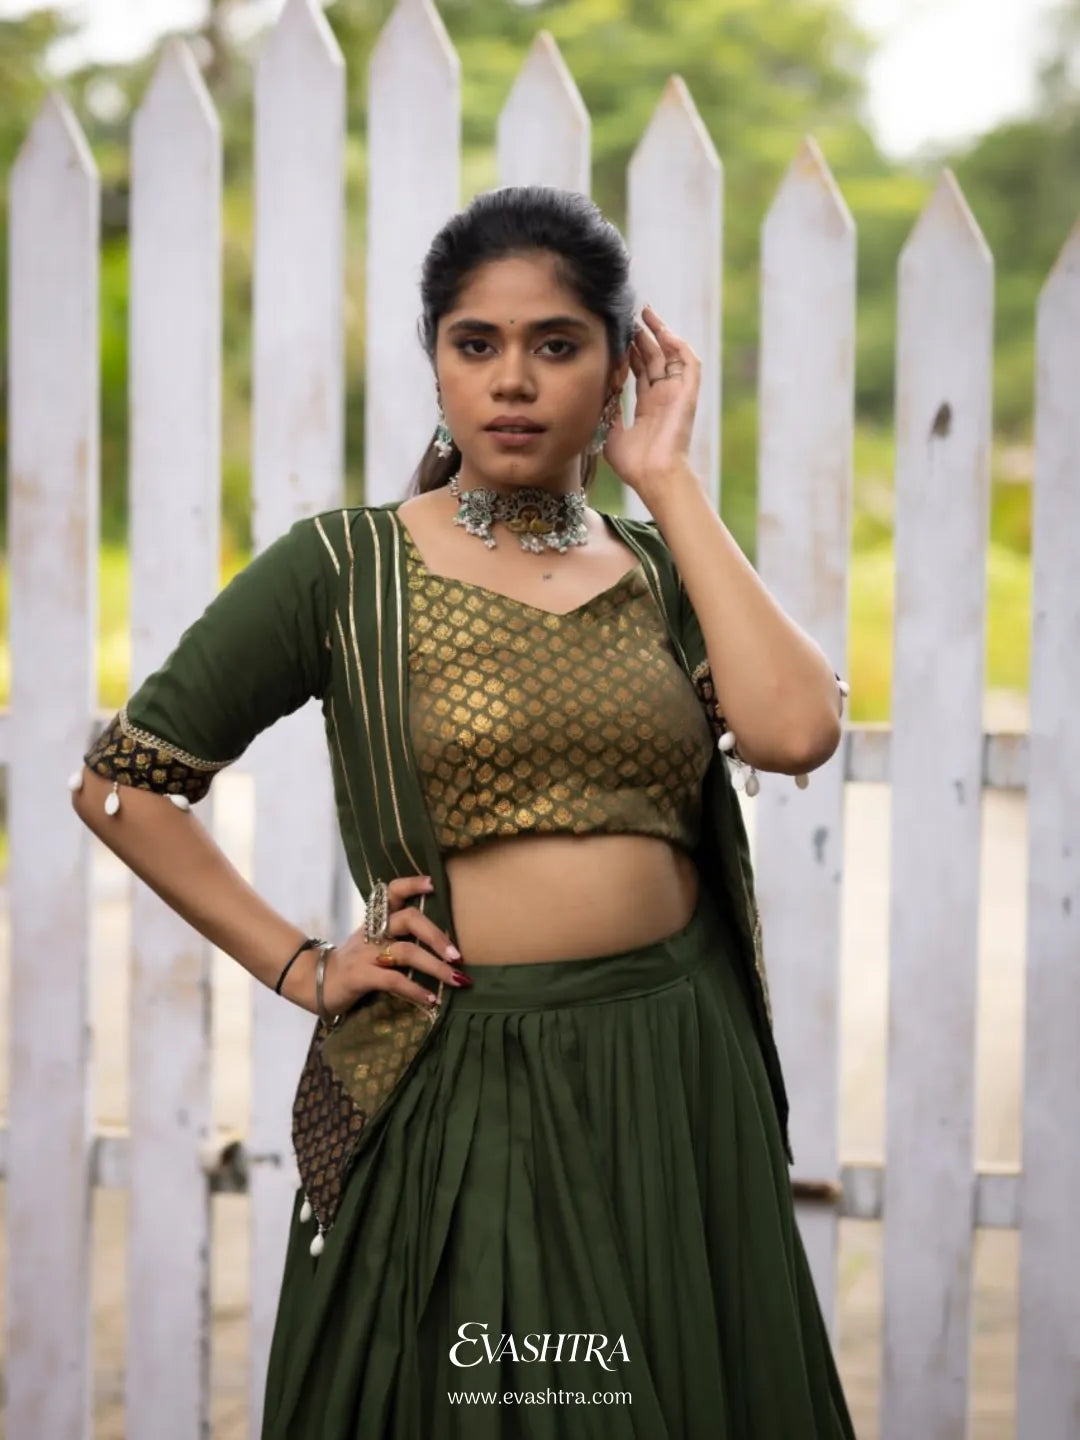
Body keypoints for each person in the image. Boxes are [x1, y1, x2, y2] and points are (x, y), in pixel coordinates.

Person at [72, 185, 856, 1438]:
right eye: (476, 343)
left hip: (671, 1061)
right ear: (435, 361)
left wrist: (668, 482)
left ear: (620, 369)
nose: (513, 380)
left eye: (558, 344)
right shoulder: (346, 567)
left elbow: (797, 732)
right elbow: (123, 787)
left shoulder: (659, 571)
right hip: (468, 1070)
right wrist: (302, 965)